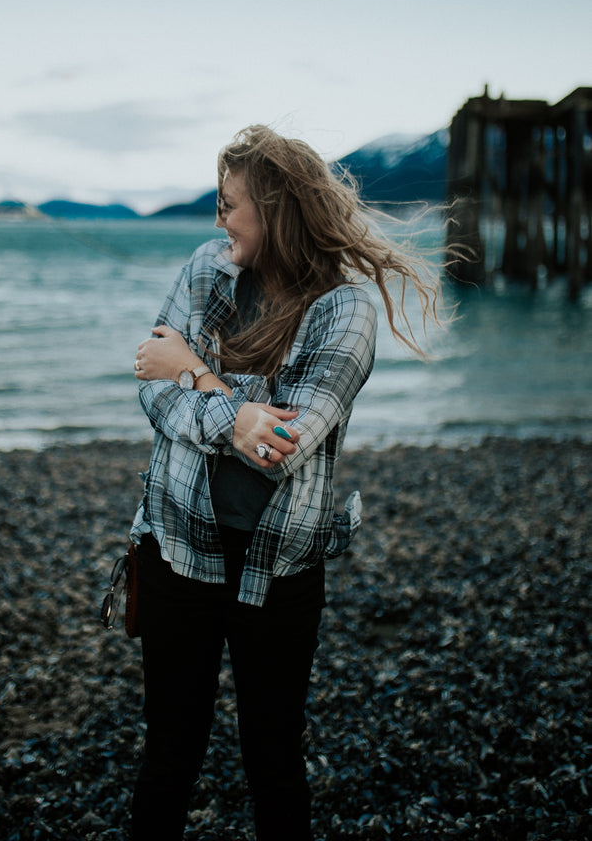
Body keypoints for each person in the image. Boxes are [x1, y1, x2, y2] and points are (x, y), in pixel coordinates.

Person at [129, 124, 445, 841]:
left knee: (273, 758)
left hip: (277, 570)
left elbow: (282, 444)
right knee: (167, 754)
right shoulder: (206, 269)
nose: (217, 219)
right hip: (177, 545)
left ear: (271, 210)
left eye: (228, 203)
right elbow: (150, 382)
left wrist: (202, 377)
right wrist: (235, 413)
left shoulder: (346, 309)